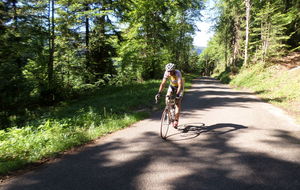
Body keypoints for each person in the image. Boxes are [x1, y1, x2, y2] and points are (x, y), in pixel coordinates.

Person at [155, 63, 184, 128]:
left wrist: (177, 95)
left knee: (177, 103)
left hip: (179, 87)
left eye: (171, 71)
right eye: (168, 71)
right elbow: (163, 83)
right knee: (167, 99)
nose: (169, 73)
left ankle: (176, 120)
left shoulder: (177, 73)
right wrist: (159, 93)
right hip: (172, 86)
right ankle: (169, 111)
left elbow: (179, 84)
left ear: (174, 70)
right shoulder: (166, 73)